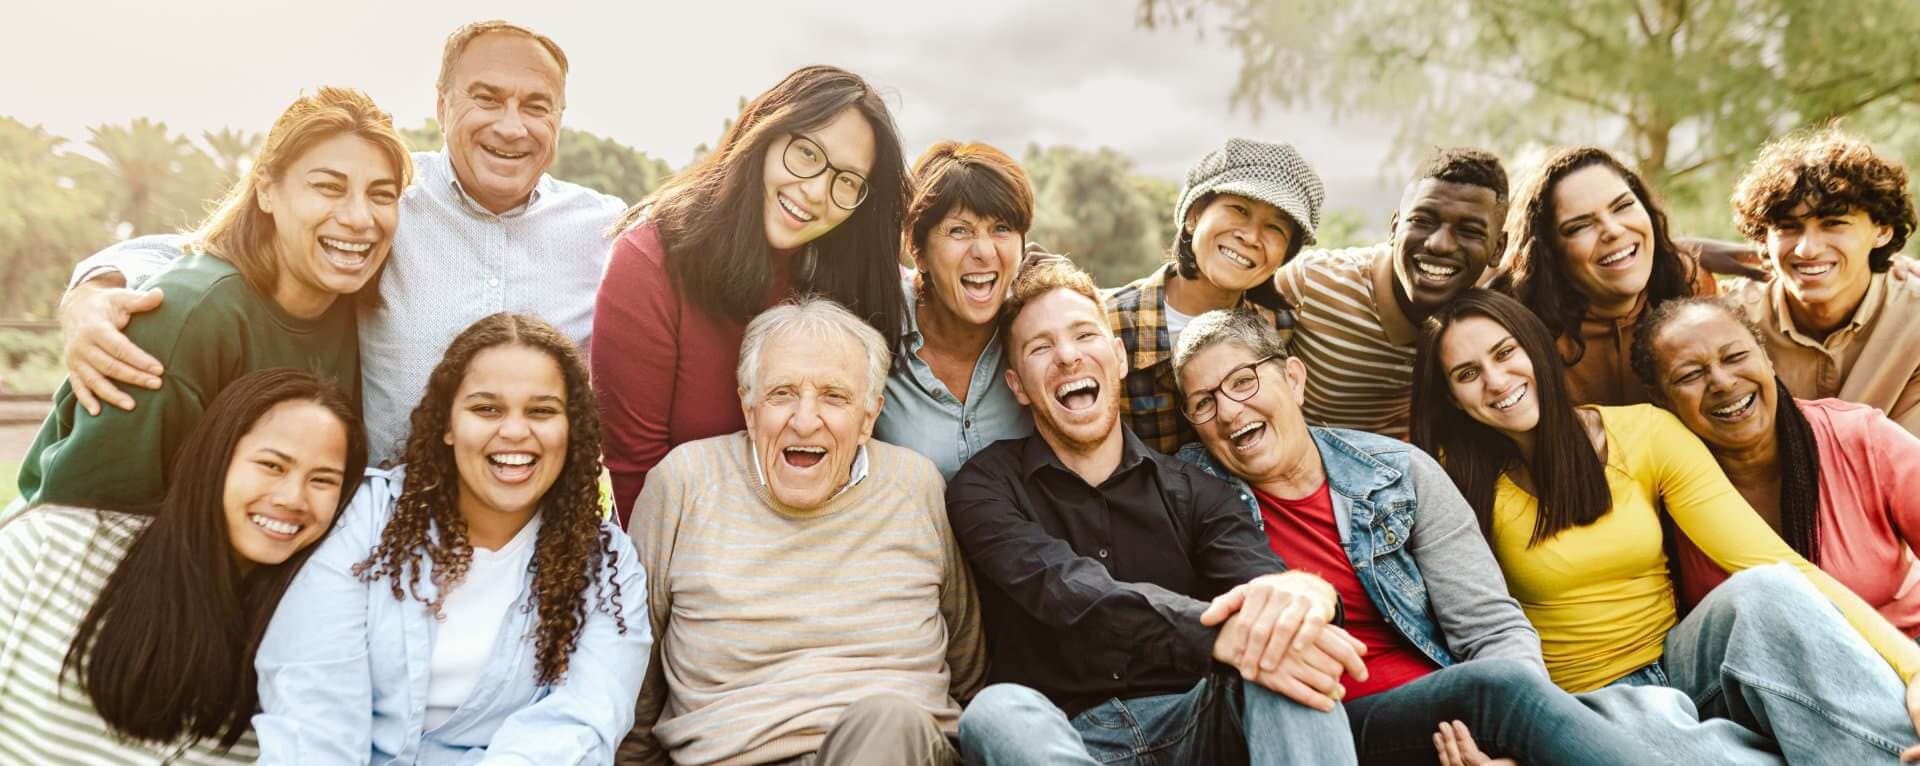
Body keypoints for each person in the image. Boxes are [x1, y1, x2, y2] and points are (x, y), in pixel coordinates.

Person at [58, 20, 625, 463]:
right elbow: (219, 247)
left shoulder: (605, 232)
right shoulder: (384, 199)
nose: (510, 125)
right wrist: (92, 291)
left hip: (530, 536)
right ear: (443, 105)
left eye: (535, 105)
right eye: (487, 98)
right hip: (373, 529)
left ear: (559, 118)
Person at [1410, 288, 1920, 762]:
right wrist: (1522, 735)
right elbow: (1464, 631)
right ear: (1453, 397)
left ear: (1536, 349)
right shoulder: (1452, 482)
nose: (1497, 381)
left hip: (1685, 664)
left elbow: (1773, 561)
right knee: (1666, 733)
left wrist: (1914, 670)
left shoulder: (1645, 432)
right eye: (1468, 373)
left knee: (1766, 588)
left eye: (1505, 353)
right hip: (1589, 701)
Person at [1168, 307, 1670, 764]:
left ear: (1294, 379)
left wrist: (1515, 748)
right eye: (1204, 403)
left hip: (1443, 719)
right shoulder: (1190, 496)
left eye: (1243, 382)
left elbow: (1490, 625)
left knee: (1504, 686)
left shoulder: (1397, 472)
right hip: (1316, 726)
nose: (1230, 412)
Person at [949, 258, 1362, 764]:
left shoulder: (1199, 491)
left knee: (1276, 655)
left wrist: (1303, 593)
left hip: (1198, 724)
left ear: (1119, 357)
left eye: (1084, 336)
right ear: (1017, 385)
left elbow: (1262, 584)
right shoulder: (984, 487)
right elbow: (1065, 587)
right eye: (1041, 347)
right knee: (995, 710)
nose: (1067, 357)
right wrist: (1213, 634)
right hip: (1063, 736)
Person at [253, 313, 649, 764]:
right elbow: (313, 696)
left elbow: (581, 723)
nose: (516, 431)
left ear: (571, 428)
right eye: (487, 409)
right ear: (447, 424)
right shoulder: (366, 517)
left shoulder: (606, 568)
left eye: (541, 411)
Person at [624, 297, 984, 765]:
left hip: (904, 751)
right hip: (735, 757)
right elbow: (632, 672)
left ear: (869, 417)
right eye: (782, 394)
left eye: (834, 397)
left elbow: (967, 664)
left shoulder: (915, 486)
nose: (805, 420)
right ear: (749, 408)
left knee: (888, 722)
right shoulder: (686, 484)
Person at [17, 87, 406, 512]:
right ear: (267, 190)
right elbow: (85, 517)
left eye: (381, 195)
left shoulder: (369, 305)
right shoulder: (187, 317)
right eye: (328, 187)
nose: (358, 218)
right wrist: (88, 289)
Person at [594, 65, 911, 521]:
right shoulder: (652, 262)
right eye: (806, 154)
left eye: (846, 181)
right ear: (763, 135)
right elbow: (636, 477)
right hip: (697, 552)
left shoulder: (850, 272)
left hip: (834, 544)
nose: (817, 191)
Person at [0, 369, 365, 764]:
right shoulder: (49, 547)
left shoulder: (312, 644)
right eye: (272, 466)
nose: (293, 498)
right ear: (216, 458)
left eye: (323, 480)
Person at [1633, 296, 1920, 636]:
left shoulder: (1860, 437)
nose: (1723, 382)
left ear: (1767, 358)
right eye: (1690, 374)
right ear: (1661, 400)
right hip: (1759, 679)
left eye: (1736, 356)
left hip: (1904, 652)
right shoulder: (1654, 490)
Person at [1108, 137, 1324, 454]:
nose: (1250, 237)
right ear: (1194, 215)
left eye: (1275, 228)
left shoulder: (1279, 329)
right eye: (1239, 209)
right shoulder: (1109, 323)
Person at [1275, 147, 1508, 440]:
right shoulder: (1310, 284)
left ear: (1497, 248)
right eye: (1422, 221)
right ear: (1395, 228)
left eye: (1469, 230)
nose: (1440, 244)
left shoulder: (1494, 322)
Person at [1721, 127, 1920, 435]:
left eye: (1834, 224)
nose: (1807, 249)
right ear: (1763, 238)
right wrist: (1695, 251)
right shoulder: (1729, 319)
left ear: (1882, 231)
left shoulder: (1913, 320)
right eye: (1788, 227)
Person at [1498, 146, 1718, 407]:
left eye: (1623, 206)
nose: (1613, 230)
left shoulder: (1691, 284)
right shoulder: (1517, 334)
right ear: (1548, 251)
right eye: (1580, 226)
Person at [874, 141, 1035, 479]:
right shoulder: (873, 326)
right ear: (917, 251)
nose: (985, 252)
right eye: (959, 230)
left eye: (1001, 228)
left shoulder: (1038, 327)